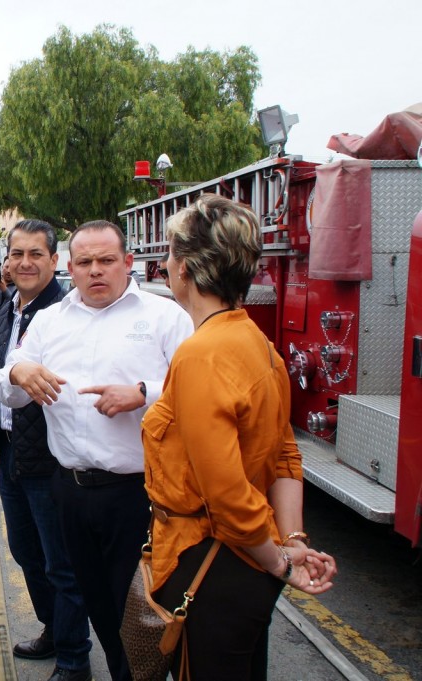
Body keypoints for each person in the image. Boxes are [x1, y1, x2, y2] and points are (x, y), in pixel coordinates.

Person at [144, 194, 337, 679]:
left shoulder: (202, 354)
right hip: (242, 567)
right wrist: (289, 541)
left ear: (184, 269)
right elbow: (285, 456)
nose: (165, 265)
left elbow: (227, 496)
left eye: (168, 255)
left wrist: (283, 563)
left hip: (208, 564)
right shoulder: (261, 346)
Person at [0, 220, 193, 681]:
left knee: (139, 607)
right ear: (70, 266)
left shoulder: (165, 317)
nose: (95, 271)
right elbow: (9, 382)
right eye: (85, 262)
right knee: (95, 600)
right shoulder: (50, 320)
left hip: (138, 494)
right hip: (69, 489)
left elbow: (200, 390)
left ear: (127, 263)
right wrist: (18, 376)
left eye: (106, 260)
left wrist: (144, 393)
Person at [0, 220, 94, 681]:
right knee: (26, 552)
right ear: (6, 260)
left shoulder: (69, 315)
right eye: (17, 254)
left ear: (54, 261)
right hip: (12, 455)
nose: (25, 263)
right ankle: (53, 629)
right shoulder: (7, 308)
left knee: (62, 564)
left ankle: (74, 659)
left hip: (53, 461)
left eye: (36, 255)